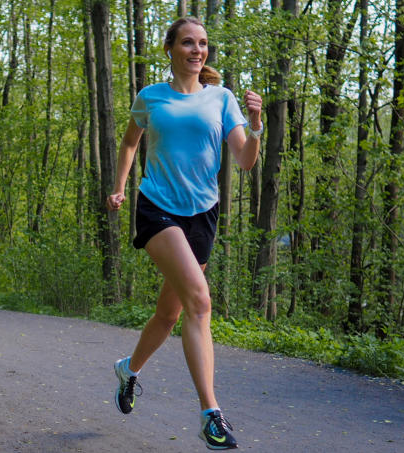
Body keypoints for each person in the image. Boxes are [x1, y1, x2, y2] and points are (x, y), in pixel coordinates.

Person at [107, 16, 262, 451]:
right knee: (200, 301)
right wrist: (120, 187)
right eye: (188, 43)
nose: (198, 50)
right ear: (171, 48)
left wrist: (255, 124)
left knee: (170, 314)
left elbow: (246, 161)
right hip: (156, 208)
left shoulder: (222, 98)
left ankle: (128, 369)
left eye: (203, 44)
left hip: (203, 216)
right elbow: (130, 142)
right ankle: (211, 415)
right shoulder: (150, 97)